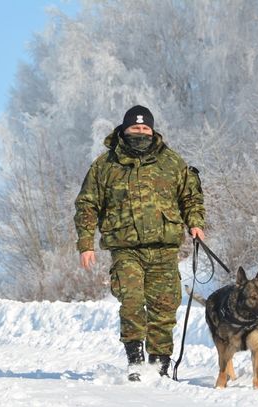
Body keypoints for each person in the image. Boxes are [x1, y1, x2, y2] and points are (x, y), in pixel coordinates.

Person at [74, 105, 205, 381]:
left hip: (164, 247)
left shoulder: (171, 162)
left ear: (153, 130)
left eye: (146, 128)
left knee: (164, 306)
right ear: (124, 130)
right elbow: (87, 204)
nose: (141, 132)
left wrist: (195, 222)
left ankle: (159, 364)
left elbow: (190, 196)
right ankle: (135, 360)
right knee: (131, 300)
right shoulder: (105, 165)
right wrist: (86, 243)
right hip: (126, 249)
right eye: (135, 127)